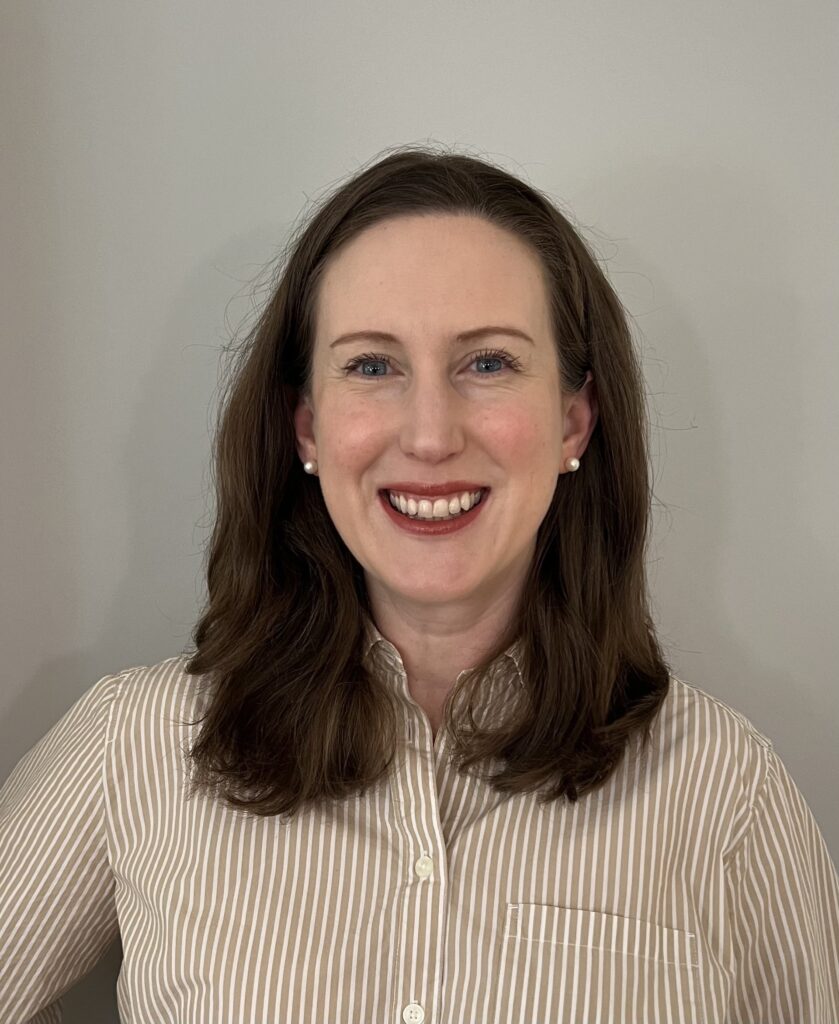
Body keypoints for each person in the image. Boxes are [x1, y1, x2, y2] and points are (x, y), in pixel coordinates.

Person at [1, 145, 837, 1024]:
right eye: (371, 366)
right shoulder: (132, 750)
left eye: (487, 364)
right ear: (307, 428)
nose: (430, 435)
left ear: (571, 422)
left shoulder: (723, 787)